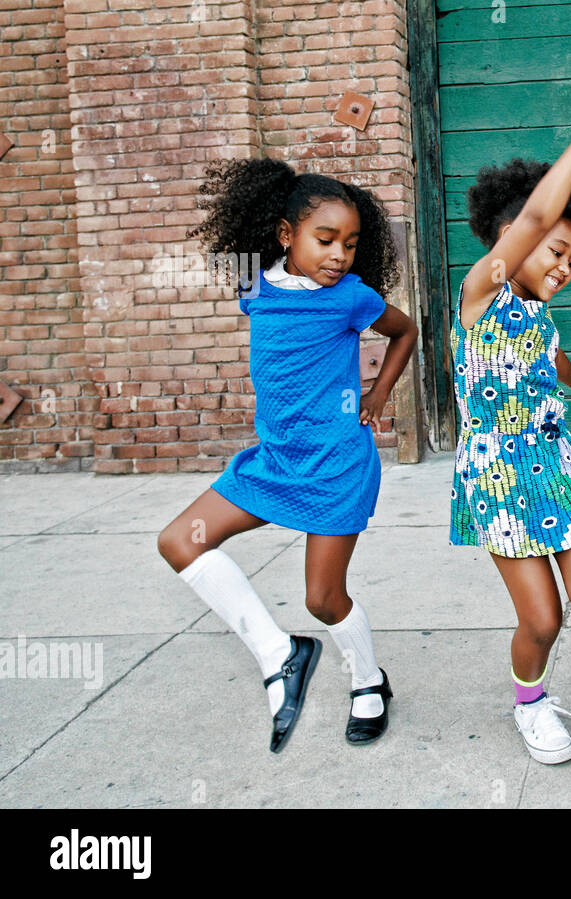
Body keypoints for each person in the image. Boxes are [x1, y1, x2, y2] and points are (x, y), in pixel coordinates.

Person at [157, 159, 417, 750]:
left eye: (350, 244)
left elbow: (406, 332)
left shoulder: (351, 297)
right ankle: (281, 653)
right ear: (283, 235)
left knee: (323, 598)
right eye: (324, 240)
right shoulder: (255, 289)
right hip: (274, 463)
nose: (339, 255)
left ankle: (369, 682)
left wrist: (379, 392)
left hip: (335, 466)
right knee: (180, 540)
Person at [450, 107, 571, 808]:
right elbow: (534, 218)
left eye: (570, 256)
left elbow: (551, 355)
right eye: (552, 248)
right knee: (541, 621)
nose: (562, 265)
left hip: (556, 464)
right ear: (508, 240)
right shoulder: (480, 295)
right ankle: (528, 698)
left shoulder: (537, 310)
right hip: (496, 475)